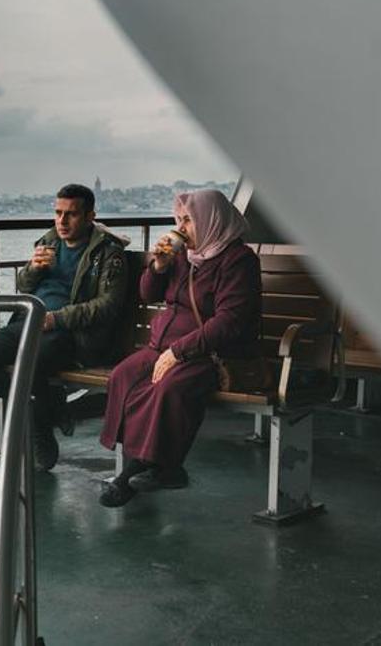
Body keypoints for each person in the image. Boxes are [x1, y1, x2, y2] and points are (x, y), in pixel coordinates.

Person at [98, 189, 261, 507]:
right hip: (164, 346)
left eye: (189, 220)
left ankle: (164, 469)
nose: (182, 227)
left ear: (210, 219)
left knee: (169, 387)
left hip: (213, 352)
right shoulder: (184, 256)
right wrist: (157, 266)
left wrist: (178, 352)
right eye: (179, 220)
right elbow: (148, 295)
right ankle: (141, 466)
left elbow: (230, 321)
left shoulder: (238, 261)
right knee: (124, 376)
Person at [0, 183, 129, 471]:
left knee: (28, 364)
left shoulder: (108, 254)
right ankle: (44, 405)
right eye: (58, 213)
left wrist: (56, 318)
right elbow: (23, 286)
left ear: (90, 216)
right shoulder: (47, 243)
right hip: (29, 321)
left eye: (71, 214)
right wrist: (32, 270)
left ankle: (40, 427)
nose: (62, 221)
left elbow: (107, 307)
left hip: (72, 335)